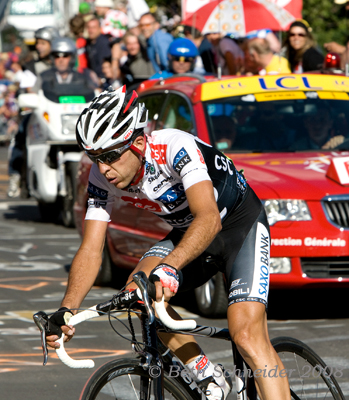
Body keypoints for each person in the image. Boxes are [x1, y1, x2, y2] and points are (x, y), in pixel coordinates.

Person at [45, 86, 291, 400]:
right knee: (137, 294)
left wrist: (171, 267)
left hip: (237, 227)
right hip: (189, 233)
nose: (103, 167)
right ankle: (208, 376)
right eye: (95, 157)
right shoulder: (100, 176)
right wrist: (67, 310)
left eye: (109, 155)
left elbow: (209, 218)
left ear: (137, 143)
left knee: (246, 336)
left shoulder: (174, 147)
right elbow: (92, 248)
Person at [7, 37, 96, 198]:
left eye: (65, 55)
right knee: (21, 132)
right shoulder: (44, 76)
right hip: (50, 124)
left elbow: (96, 93)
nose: (61, 60)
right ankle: (17, 175)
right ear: (52, 58)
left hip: (74, 125)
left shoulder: (83, 77)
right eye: (57, 56)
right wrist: (29, 99)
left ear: (72, 57)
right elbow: (32, 95)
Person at [85, 17, 112, 82]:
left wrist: (101, 80)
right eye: (89, 27)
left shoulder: (104, 43)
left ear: (99, 28)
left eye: (94, 27)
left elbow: (104, 65)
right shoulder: (88, 44)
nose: (91, 30)